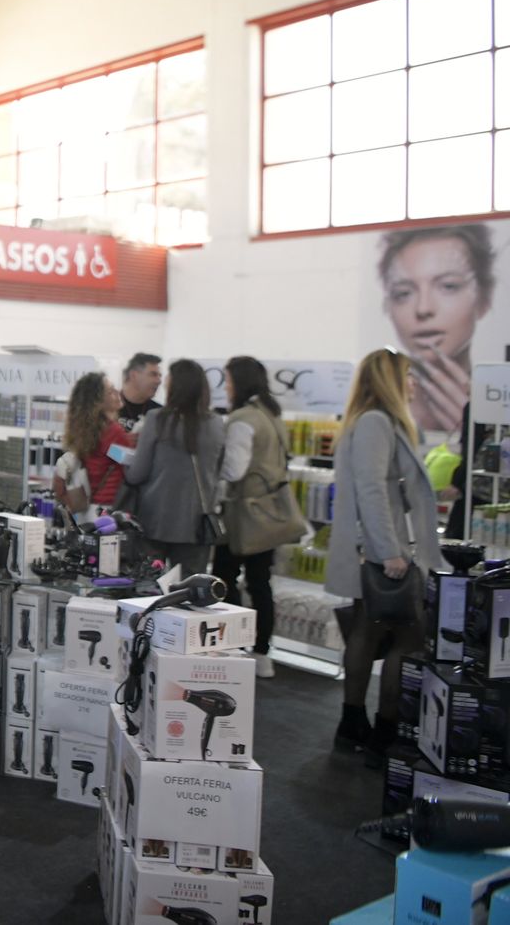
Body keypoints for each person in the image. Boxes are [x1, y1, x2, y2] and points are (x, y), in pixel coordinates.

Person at [327, 349, 442, 760]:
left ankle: (355, 722)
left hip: (381, 548)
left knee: (369, 630)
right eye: (408, 376)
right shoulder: (376, 423)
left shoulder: (376, 422)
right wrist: (390, 551)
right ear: (392, 380)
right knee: (404, 638)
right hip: (386, 552)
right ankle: (383, 731)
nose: (413, 384)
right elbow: (372, 491)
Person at [215, 356, 300, 678]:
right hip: (270, 511)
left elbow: (234, 470)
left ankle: (236, 641)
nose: (225, 387)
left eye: (228, 380)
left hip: (244, 513)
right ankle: (262, 651)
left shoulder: (243, 419)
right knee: (261, 582)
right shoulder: (273, 414)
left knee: (224, 577)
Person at [378, 225, 496, 434]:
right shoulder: (378, 414)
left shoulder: (492, 405)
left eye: (448, 286)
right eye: (404, 293)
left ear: (484, 297)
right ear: (388, 305)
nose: (424, 309)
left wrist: (472, 436)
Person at [121, 359, 224, 577]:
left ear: (175, 385)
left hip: (155, 520)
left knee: (147, 589)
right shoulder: (215, 422)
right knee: (189, 595)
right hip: (197, 523)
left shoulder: (157, 419)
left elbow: (137, 474)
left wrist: (120, 458)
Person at [63, 372, 135, 513]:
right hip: (109, 509)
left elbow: (107, 455)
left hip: (89, 506)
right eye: (110, 391)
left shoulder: (87, 429)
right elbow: (128, 462)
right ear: (98, 401)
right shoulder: (112, 431)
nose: (117, 392)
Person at [118, 353, 163, 435]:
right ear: (133, 375)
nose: (159, 381)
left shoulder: (159, 413)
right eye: (153, 374)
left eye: (160, 376)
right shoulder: (107, 407)